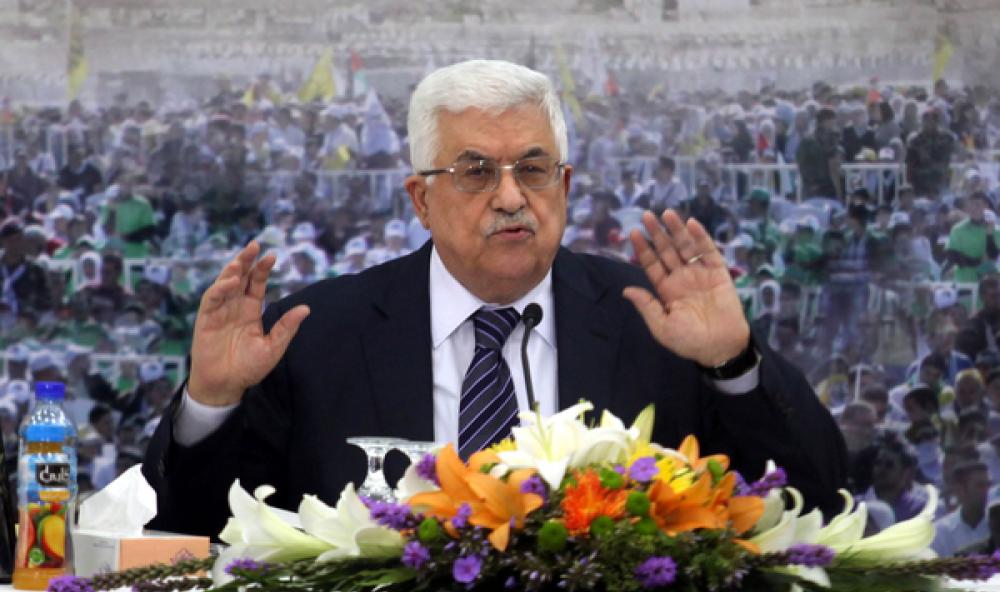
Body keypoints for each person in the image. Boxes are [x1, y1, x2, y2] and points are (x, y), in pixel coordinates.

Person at [142, 60, 847, 538]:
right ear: (421, 199)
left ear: (563, 186)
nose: (511, 197)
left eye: (532, 170)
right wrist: (211, 403)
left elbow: (815, 498)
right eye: (476, 172)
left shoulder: (654, 323)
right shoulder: (315, 335)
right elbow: (195, 529)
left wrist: (733, 365)